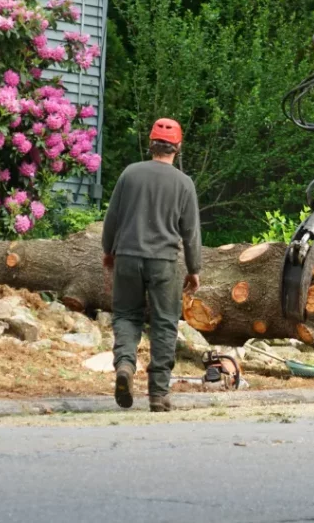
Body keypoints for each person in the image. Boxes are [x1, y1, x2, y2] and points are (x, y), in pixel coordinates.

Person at [101, 118, 202, 412]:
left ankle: (125, 366)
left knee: (126, 316)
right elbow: (191, 232)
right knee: (164, 323)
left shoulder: (130, 174)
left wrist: (109, 250)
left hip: (128, 257)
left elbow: (112, 218)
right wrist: (194, 269)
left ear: (151, 144)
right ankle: (158, 394)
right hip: (164, 263)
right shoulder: (184, 183)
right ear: (178, 148)